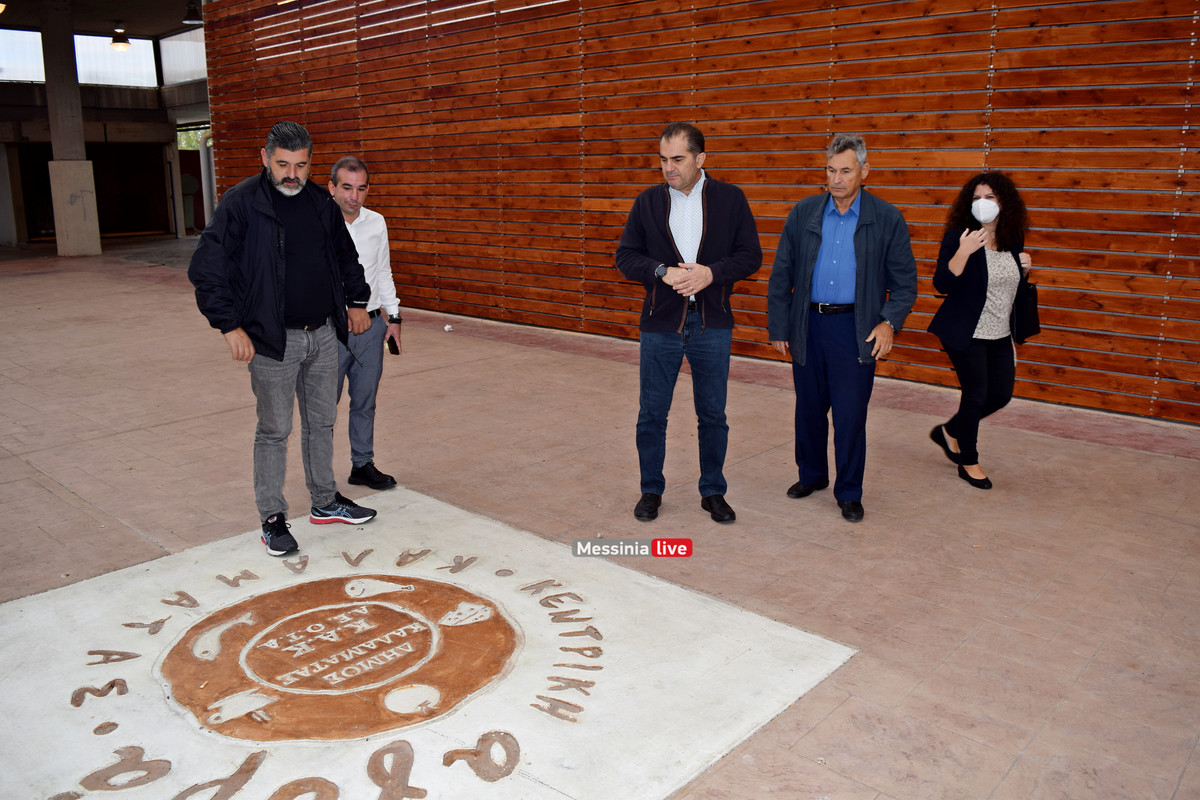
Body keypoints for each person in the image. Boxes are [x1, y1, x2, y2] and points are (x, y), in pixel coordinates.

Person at [188, 120, 378, 558]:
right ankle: (272, 517)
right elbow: (206, 268)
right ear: (265, 158)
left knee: (321, 423)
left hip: (323, 334)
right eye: (283, 165)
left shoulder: (319, 202)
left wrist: (356, 301)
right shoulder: (241, 203)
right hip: (273, 340)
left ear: (311, 163)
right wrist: (229, 325)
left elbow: (344, 256)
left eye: (301, 165)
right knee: (274, 430)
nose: (292, 175)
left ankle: (325, 501)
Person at [615, 122, 762, 524]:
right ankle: (651, 490)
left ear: (700, 158)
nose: (669, 168)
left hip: (712, 323)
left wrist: (712, 273)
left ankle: (712, 491)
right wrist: (661, 271)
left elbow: (751, 255)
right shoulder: (647, 202)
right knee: (652, 414)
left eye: (678, 159)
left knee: (713, 415)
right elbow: (626, 257)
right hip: (660, 323)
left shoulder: (730, 199)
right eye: (663, 159)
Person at [767, 134, 918, 522]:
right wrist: (780, 325)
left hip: (856, 329)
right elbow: (782, 273)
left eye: (846, 171)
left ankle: (849, 491)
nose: (836, 179)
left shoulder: (887, 218)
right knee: (809, 408)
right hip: (808, 324)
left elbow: (905, 284)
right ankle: (812, 475)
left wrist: (888, 323)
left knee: (850, 414)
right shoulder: (804, 213)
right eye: (831, 170)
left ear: (865, 171)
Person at [927, 172, 1033, 490]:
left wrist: (1024, 271)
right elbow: (942, 284)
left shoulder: (1012, 238)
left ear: (1004, 202)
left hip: (999, 332)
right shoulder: (960, 236)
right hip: (966, 330)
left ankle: (950, 430)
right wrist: (964, 250)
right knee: (975, 395)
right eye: (976, 198)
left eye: (989, 197)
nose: (982, 203)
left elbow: (1007, 285)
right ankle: (968, 460)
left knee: (1000, 395)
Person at [327, 156, 402, 491]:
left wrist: (394, 317)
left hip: (371, 328)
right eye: (346, 188)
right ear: (331, 188)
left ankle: (362, 464)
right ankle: (320, 476)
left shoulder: (376, 222)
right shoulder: (317, 224)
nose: (353, 196)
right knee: (323, 408)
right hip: (329, 330)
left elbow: (383, 271)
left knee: (365, 401)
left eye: (360, 189)